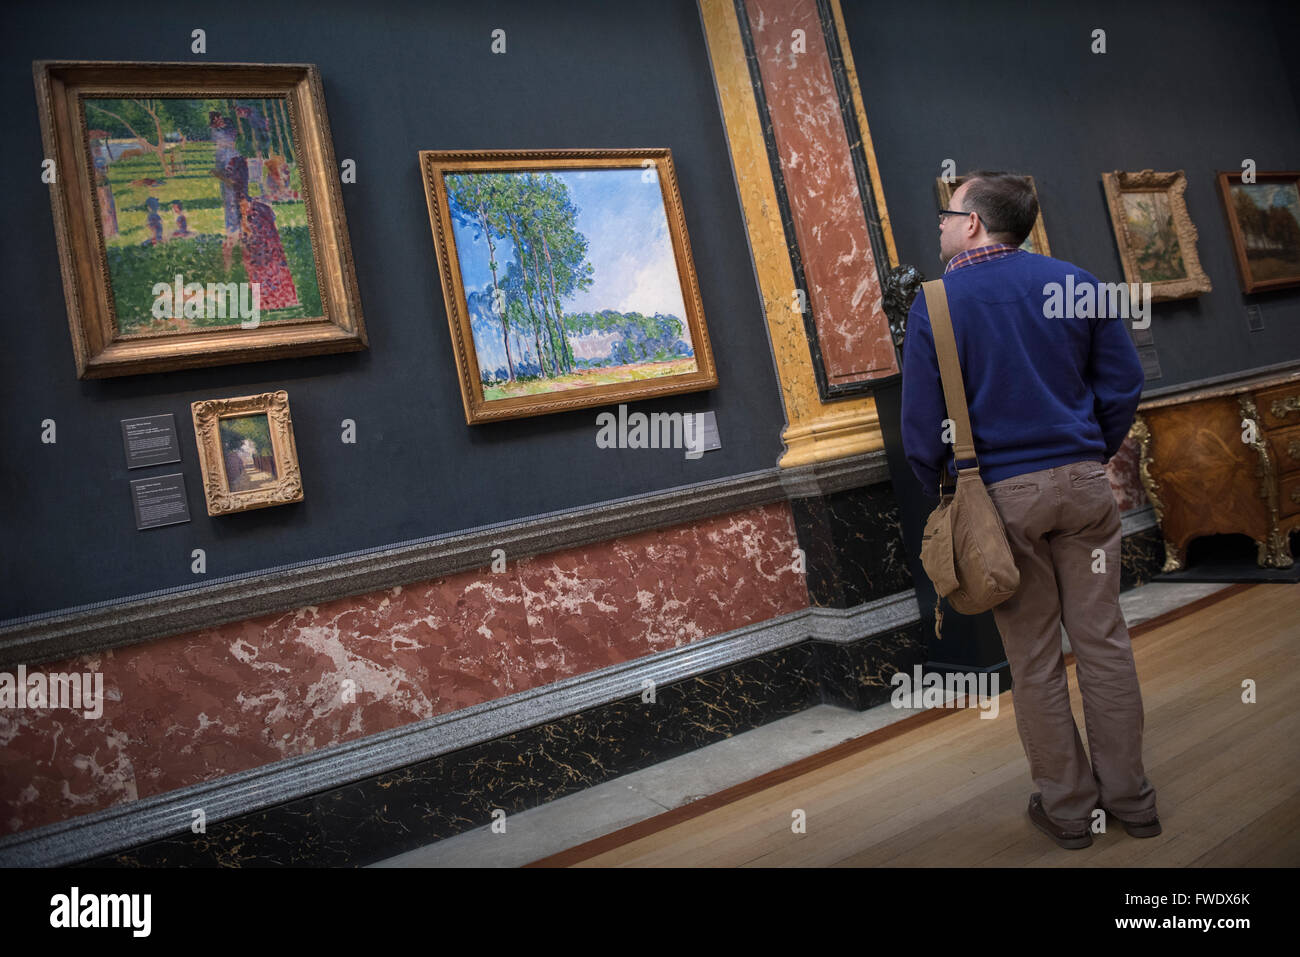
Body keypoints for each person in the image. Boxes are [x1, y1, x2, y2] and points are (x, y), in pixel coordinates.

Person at [900, 170, 1158, 850]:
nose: (942, 225)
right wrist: (1088, 450)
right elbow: (1124, 381)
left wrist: (946, 490)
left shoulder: (936, 302)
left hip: (1001, 501)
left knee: (1035, 658)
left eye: (949, 215)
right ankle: (1133, 799)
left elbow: (923, 428)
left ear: (977, 224)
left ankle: (1071, 811)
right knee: (1104, 642)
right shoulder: (1079, 280)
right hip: (1084, 486)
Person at [211, 155, 300, 311]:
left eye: (231, 172)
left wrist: (245, 223)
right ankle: (277, 297)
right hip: (257, 215)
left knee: (259, 258)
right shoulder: (241, 176)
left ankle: (271, 298)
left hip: (253, 218)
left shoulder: (240, 185)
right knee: (264, 257)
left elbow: (242, 199)